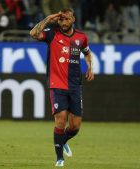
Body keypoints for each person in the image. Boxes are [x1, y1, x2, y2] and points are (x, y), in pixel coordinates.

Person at [29, 8, 94, 167]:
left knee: (75, 127)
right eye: (61, 19)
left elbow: (86, 52)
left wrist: (90, 67)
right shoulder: (52, 33)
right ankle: (59, 158)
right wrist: (49, 18)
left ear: (73, 19)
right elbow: (33, 33)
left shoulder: (81, 37)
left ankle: (62, 141)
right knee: (60, 120)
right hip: (56, 84)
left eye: (66, 19)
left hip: (74, 85)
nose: (63, 22)